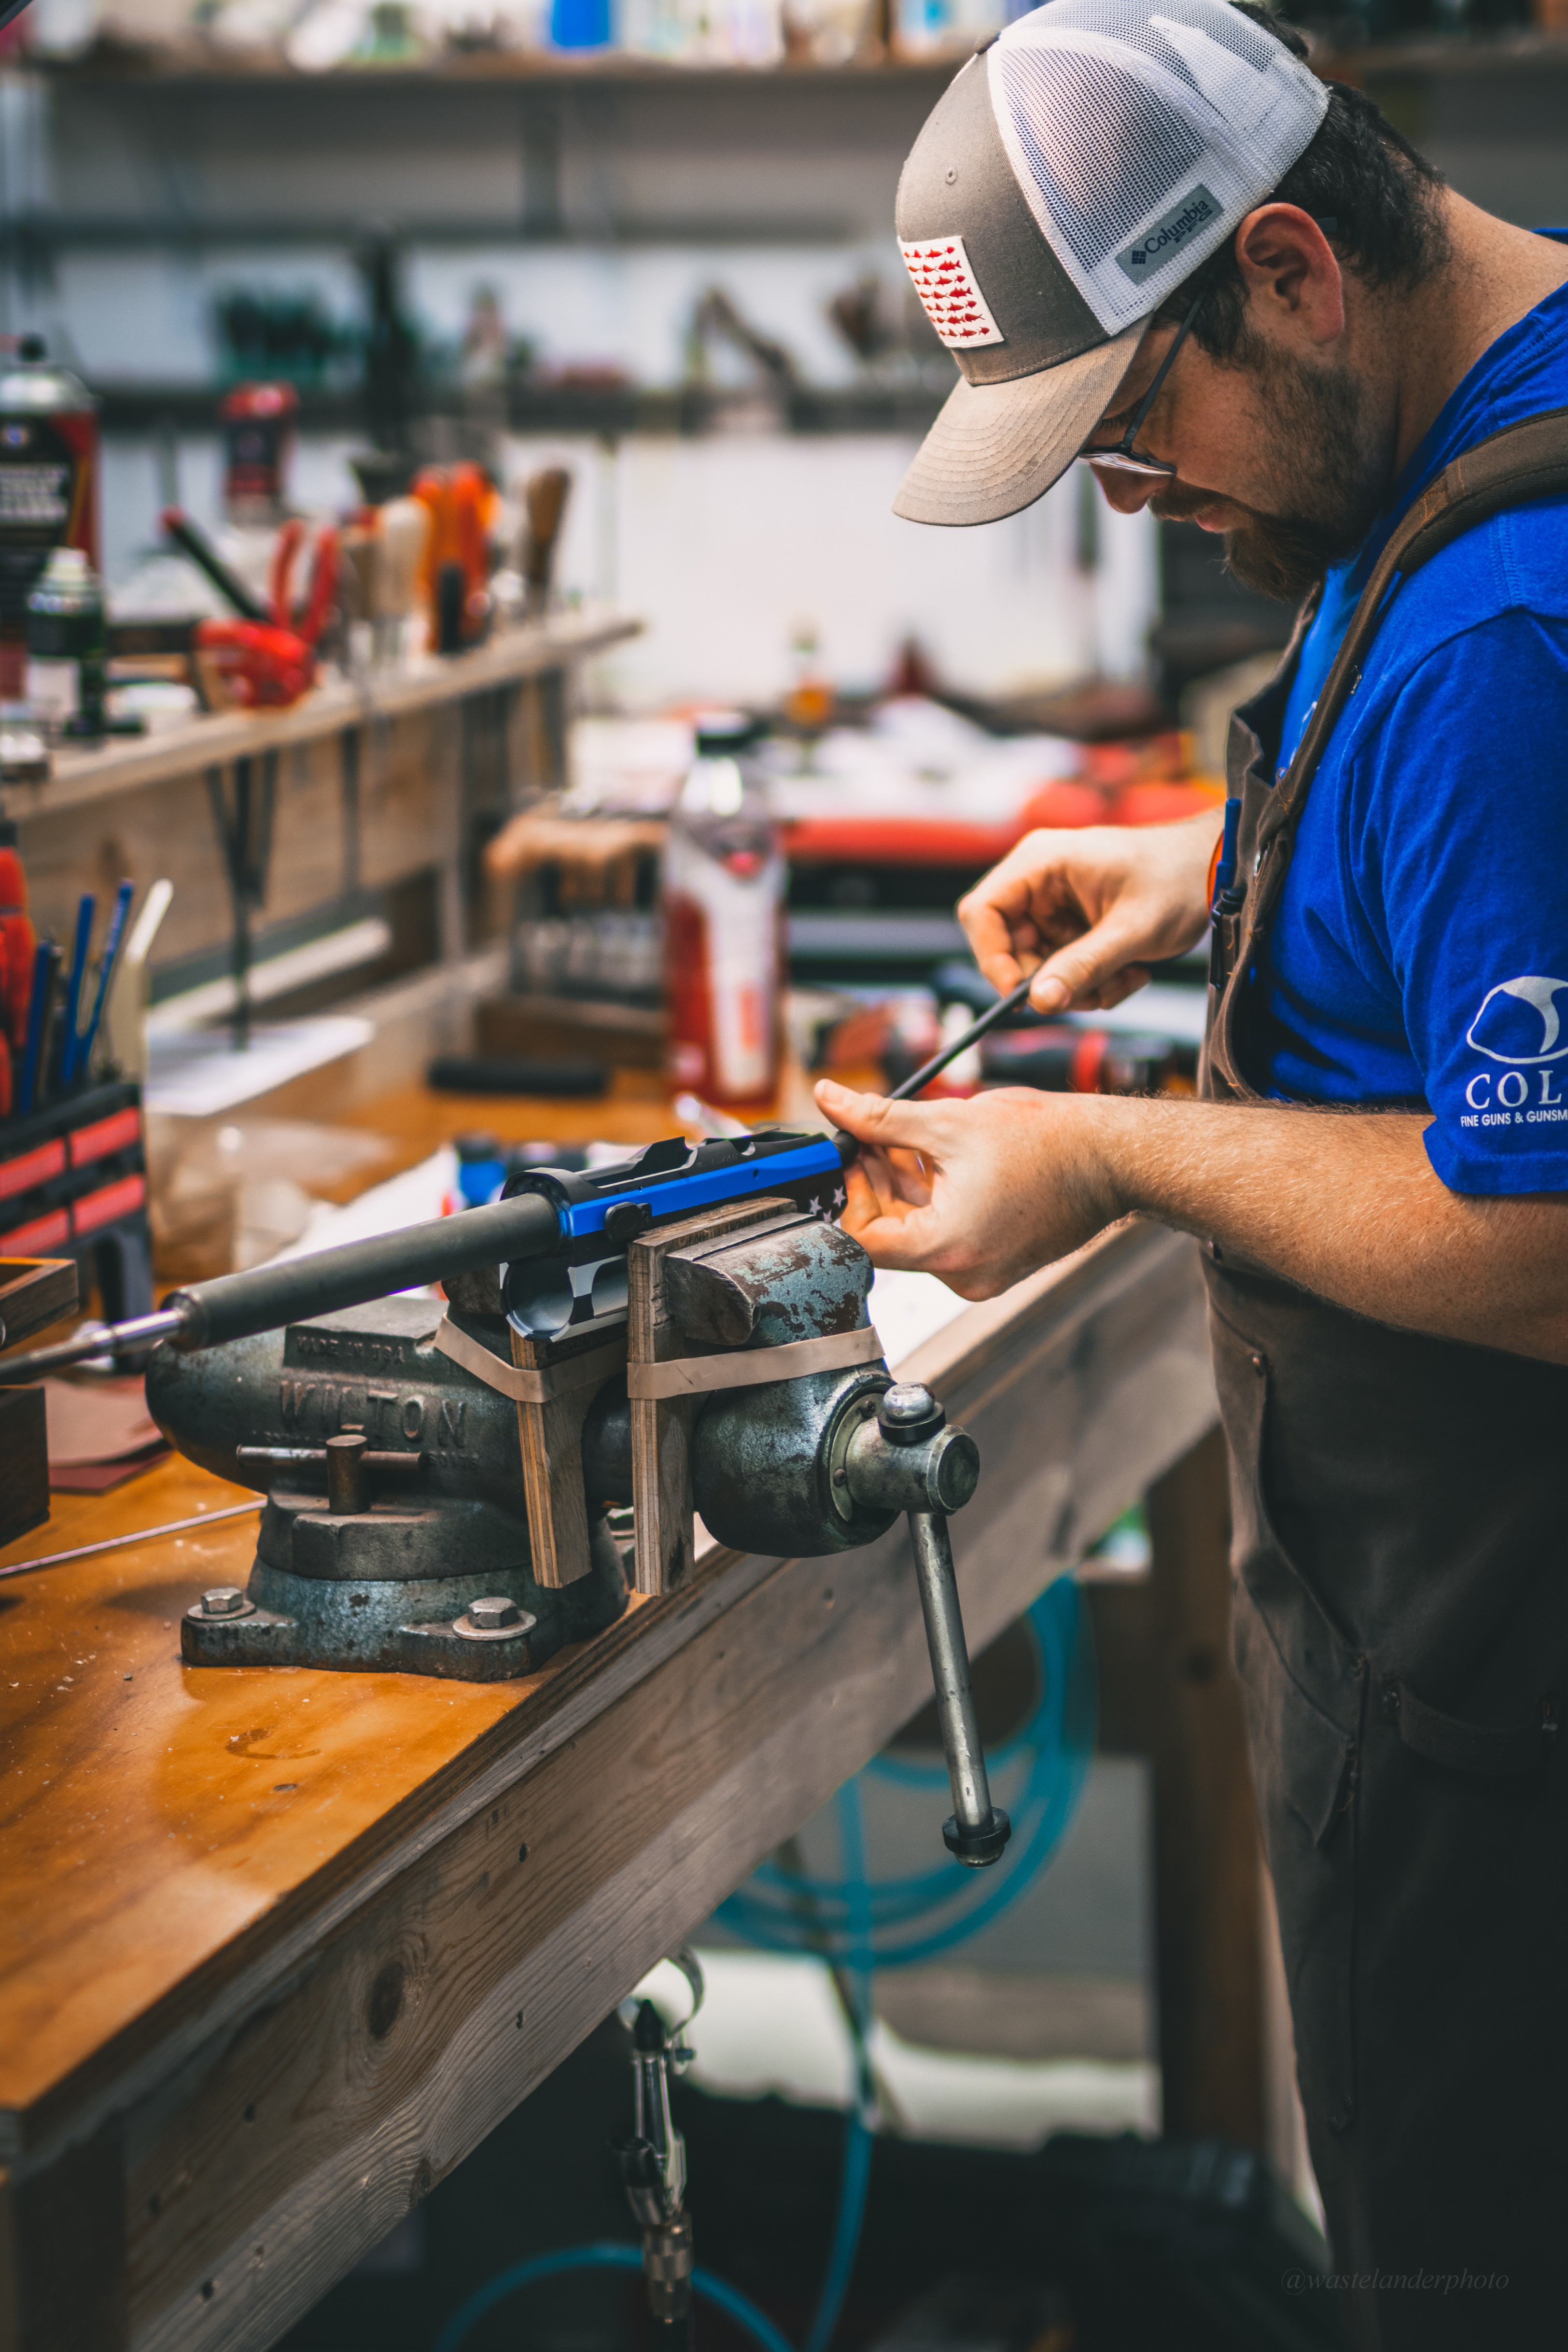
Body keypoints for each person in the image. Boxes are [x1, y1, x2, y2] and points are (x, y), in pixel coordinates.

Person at [815, 5, 1568, 2346]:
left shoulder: (1503, 630)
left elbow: (1545, 1235)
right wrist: (1211, 868)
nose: (1151, 514)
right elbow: (1464, 850)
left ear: (1287, 270)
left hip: (1501, 1701)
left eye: (1138, 445)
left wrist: (1102, 1153)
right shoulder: (1460, 420)